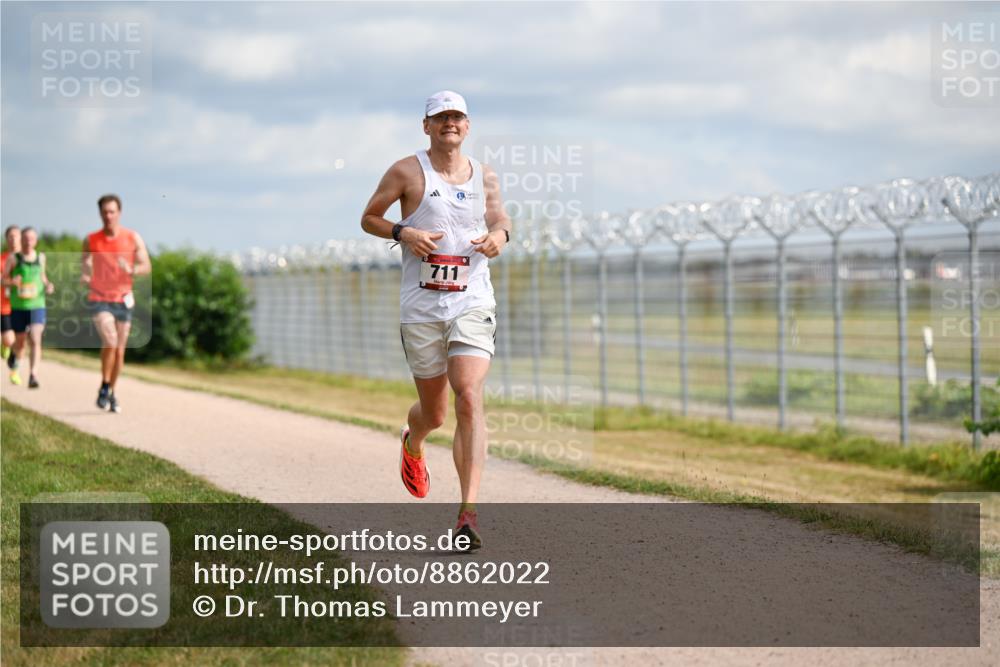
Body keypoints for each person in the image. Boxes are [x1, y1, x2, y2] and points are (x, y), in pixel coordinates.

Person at [361, 91, 512, 550]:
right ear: (426, 126)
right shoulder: (407, 171)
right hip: (423, 309)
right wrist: (403, 232)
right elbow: (369, 218)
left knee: (468, 396)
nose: (450, 123)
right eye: (440, 117)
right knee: (436, 413)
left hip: (471, 300)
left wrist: (499, 237)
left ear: (468, 126)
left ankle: (468, 514)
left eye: (457, 117)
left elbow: (500, 218)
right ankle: (413, 440)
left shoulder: (483, 175)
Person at [81, 194, 151, 413]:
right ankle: (104, 383)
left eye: (112, 211)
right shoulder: (91, 239)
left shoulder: (132, 238)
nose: (108, 216)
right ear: (100, 213)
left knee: (120, 351)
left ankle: (110, 390)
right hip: (99, 298)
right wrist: (85, 273)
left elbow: (146, 265)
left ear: (119, 213)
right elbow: (84, 263)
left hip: (123, 300)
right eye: (104, 212)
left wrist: (132, 270)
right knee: (110, 340)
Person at [2, 227, 55, 388]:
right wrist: (12, 282)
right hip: (18, 306)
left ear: (36, 241)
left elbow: (43, 277)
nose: (28, 242)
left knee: (35, 337)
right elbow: (3, 280)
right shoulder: (13, 258)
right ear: (21, 240)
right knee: (20, 342)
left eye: (31, 239)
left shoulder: (41, 258)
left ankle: (33, 375)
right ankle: (15, 363)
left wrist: (48, 285)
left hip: (37, 305)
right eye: (25, 239)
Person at [1, 225, 22, 383]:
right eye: (10, 236)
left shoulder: (29, 259)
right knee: (9, 339)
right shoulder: (2, 259)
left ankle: (14, 371)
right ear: (6, 239)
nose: (13, 239)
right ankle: (5, 345)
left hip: (24, 305)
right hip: (5, 304)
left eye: (16, 236)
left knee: (21, 340)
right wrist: (10, 282)